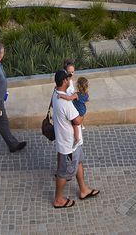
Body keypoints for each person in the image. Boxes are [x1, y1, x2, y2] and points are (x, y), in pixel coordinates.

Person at [50, 69, 98, 209]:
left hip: (69, 141)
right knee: (63, 173)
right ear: (64, 81)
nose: (70, 80)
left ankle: (83, 190)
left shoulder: (56, 93)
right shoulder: (65, 103)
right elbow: (77, 121)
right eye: (68, 78)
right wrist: (83, 114)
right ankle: (58, 200)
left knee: (79, 163)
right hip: (68, 144)